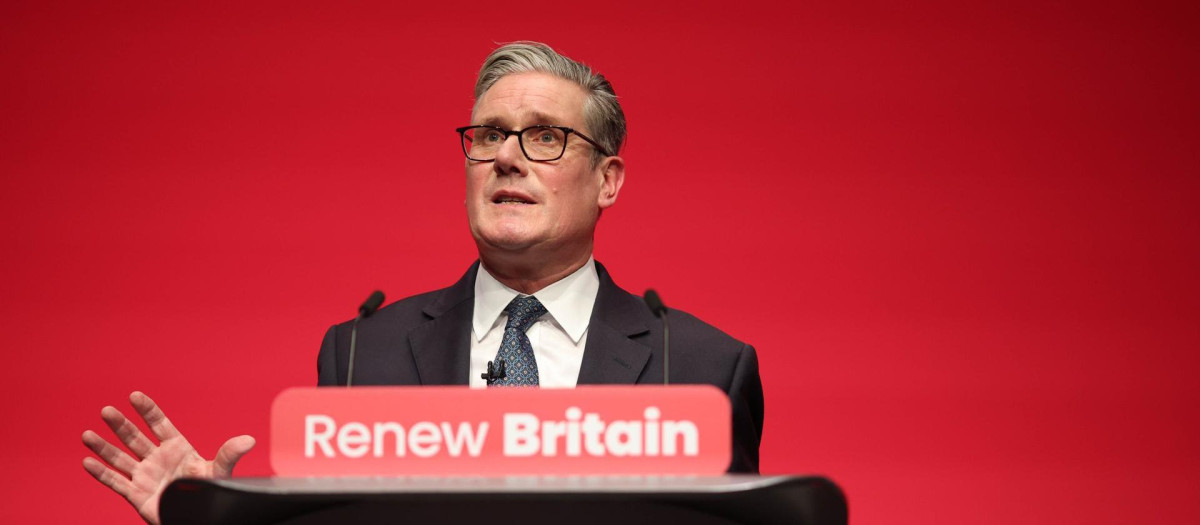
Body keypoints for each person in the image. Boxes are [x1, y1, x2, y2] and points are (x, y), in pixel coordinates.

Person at [82, 41, 764, 524]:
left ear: (607, 180)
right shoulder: (361, 353)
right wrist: (220, 522)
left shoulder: (702, 367)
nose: (506, 158)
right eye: (489, 135)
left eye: (545, 138)